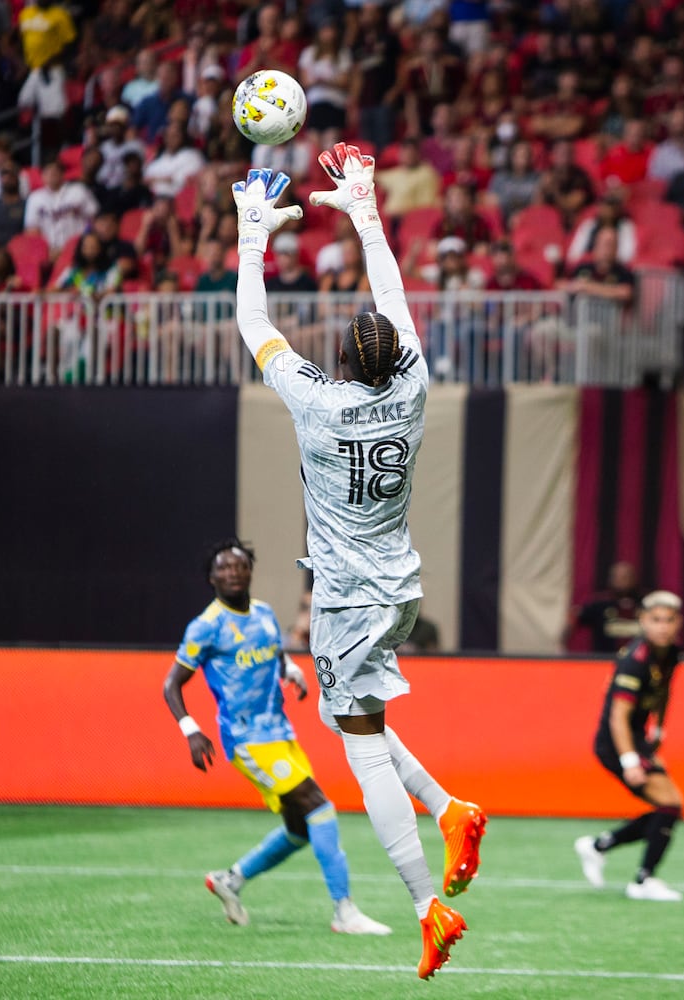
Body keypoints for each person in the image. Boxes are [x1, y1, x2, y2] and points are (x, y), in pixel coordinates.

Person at [231, 153, 485, 980]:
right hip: (399, 582)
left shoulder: (316, 400)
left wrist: (252, 237)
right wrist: (366, 212)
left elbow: (255, 329)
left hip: (344, 596)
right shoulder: (411, 388)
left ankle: (425, 906)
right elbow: (394, 302)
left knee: (359, 748)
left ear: (342, 360)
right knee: (358, 717)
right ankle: (452, 810)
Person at [162, 539, 391, 937]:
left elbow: (273, 653)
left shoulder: (265, 614)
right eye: (224, 568)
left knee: (300, 829)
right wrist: (191, 729)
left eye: (240, 565)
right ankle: (344, 911)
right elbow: (172, 684)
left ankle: (230, 880)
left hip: (280, 733)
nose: (233, 572)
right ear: (211, 577)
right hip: (248, 739)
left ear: (250, 570)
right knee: (320, 807)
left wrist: (290, 671)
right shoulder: (206, 626)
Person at [574, 590, 684, 903]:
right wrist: (629, 760)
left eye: (669, 620)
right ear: (642, 621)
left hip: (637, 740)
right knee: (671, 804)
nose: (663, 626)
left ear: (678, 623)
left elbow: (664, 691)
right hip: (615, 744)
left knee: (670, 806)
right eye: (656, 620)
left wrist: (659, 728)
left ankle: (599, 847)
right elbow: (618, 716)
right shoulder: (634, 660)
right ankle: (642, 879)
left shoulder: (671, 653)